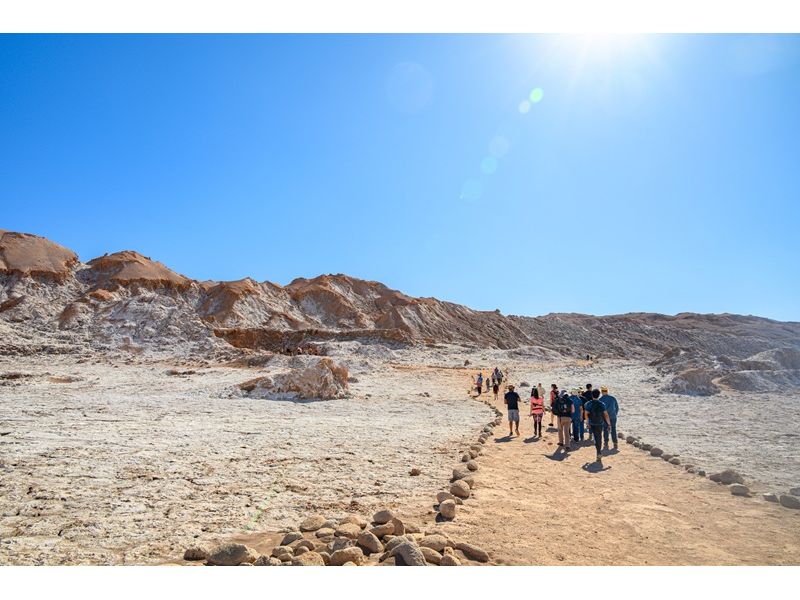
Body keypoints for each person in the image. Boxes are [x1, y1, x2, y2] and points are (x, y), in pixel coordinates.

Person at [583, 392, 611, 462]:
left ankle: (597, 449)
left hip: (592, 423)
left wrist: (587, 422)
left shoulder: (588, 403)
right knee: (599, 437)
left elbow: (586, 414)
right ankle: (599, 452)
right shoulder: (602, 404)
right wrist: (609, 424)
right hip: (600, 423)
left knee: (595, 436)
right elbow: (606, 414)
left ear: (592, 395)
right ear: (599, 395)